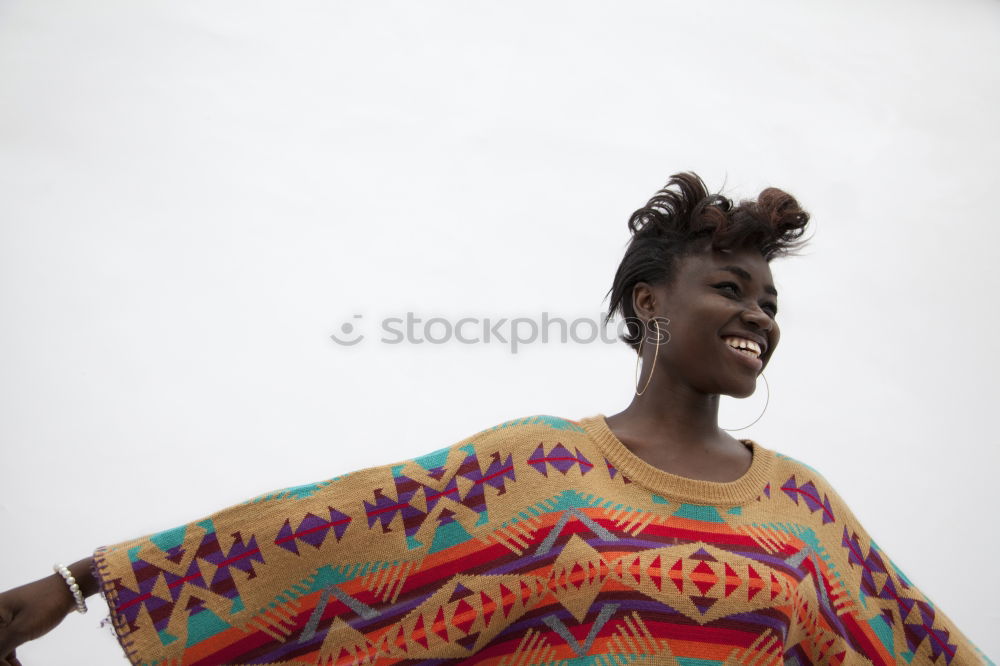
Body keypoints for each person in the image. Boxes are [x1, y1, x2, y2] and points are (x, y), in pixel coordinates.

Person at [0, 172, 992, 665]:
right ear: (648, 304)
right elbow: (331, 537)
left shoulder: (804, 511)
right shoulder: (539, 468)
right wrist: (81, 582)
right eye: (730, 289)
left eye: (770, 304)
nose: (757, 318)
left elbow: (915, 649)